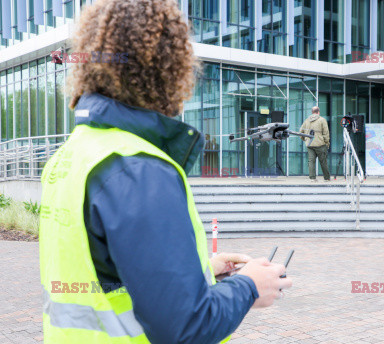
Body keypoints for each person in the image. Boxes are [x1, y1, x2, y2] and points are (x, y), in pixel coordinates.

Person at [38, 1, 292, 343]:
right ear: (169, 66)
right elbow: (185, 327)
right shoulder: (139, 169)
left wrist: (203, 272)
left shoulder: (72, 155)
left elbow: (106, 275)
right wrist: (248, 287)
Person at [300, 106, 330, 182]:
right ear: (318, 112)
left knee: (311, 161)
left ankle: (312, 178)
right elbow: (326, 133)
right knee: (323, 161)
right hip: (320, 144)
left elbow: (301, 132)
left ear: (312, 112)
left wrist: (305, 139)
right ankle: (326, 178)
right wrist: (327, 143)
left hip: (310, 144)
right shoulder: (322, 120)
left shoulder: (307, 120)